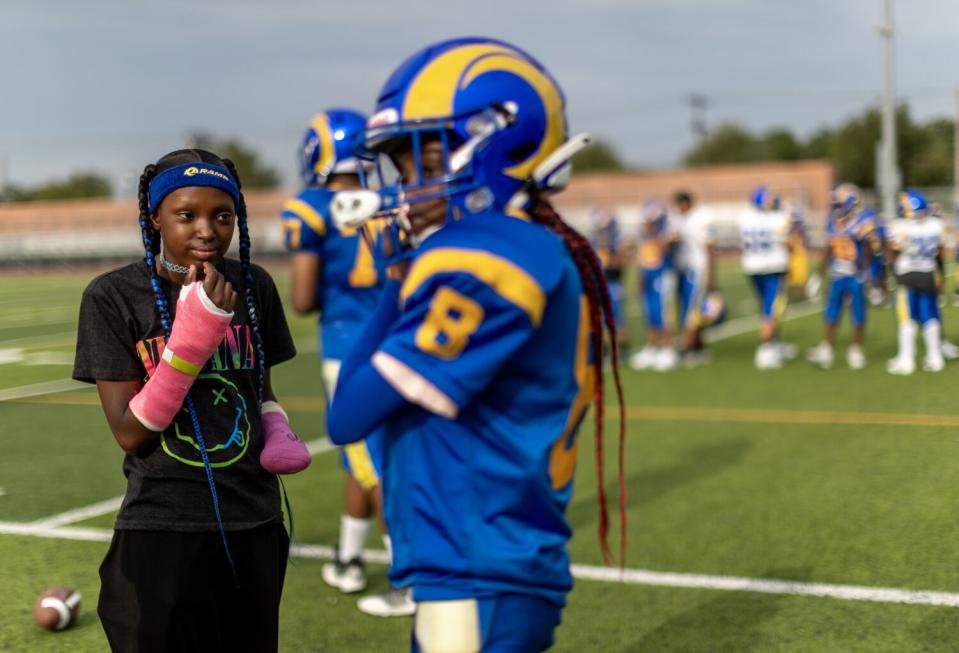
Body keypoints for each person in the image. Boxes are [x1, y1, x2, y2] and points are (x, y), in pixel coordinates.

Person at [325, 37, 626, 652]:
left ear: (503, 141)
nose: (408, 186)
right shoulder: (526, 245)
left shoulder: (489, 251)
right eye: (403, 168)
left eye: (426, 160)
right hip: (482, 560)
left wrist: (396, 287)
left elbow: (349, 412)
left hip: (477, 564)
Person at [72, 149, 307, 652]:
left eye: (222, 216)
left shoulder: (253, 286)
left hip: (255, 519)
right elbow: (133, 435)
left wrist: (278, 425)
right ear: (155, 217)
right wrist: (192, 339)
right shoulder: (112, 297)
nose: (206, 230)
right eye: (187, 215)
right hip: (163, 522)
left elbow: (259, 384)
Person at [280, 109, 414, 617]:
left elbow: (302, 298)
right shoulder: (390, 201)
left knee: (370, 460)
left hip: (349, 347)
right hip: (398, 338)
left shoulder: (312, 208)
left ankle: (409, 577)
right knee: (365, 457)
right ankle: (350, 559)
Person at [807, 182, 880, 370]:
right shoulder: (833, 223)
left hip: (856, 277)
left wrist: (869, 273)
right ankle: (826, 349)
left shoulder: (861, 223)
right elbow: (827, 250)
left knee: (858, 315)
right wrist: (817, 276)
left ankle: (856, 350)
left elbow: (871, 250)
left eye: (838, 205)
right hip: (837, 275)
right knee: (831, 313)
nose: (835, 209)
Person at [736, 186, 796, 369]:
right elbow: (789, 244)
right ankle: (766, 348)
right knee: (772, 309)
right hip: (773, 267)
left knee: (767, 306)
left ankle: (775, 343)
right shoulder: (777, 219)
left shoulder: (744, 218)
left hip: (752, 268)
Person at [886, 189, 945, 374]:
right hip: (928, 272)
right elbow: (941, 249)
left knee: (906, 318)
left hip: (908, 274)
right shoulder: (936, 224)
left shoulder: (901, 227)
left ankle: (907, 360)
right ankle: (935, 358)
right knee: (929, 315)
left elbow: (892, 251)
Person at [629, 198, 679, 371]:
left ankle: (668, 349)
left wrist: (655, 236)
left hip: (663, 276)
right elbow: (642, 260)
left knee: (664, 314)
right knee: (650, 314)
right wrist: (639, 282)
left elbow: (665, 247)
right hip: (648, 277)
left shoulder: (669, 233)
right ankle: (651, 348)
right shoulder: (644, 235)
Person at [671, 190, 716, 366]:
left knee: (692, 312)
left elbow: (710, 247)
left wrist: (711, 276)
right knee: (689, 310)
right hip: (684, 270)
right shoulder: (679, 218)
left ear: (684, 204)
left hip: (697, 270)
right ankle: (697, 347)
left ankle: (689, 350)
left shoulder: (702, 217)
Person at [588, 207, 630, 358]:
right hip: (599, 283)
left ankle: (623, 349)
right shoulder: (594, 241)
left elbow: (621, 264)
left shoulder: (616, 240)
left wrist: (611, 255)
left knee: (617, 317)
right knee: (601, 318)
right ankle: (607, 350)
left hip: (613, 283)